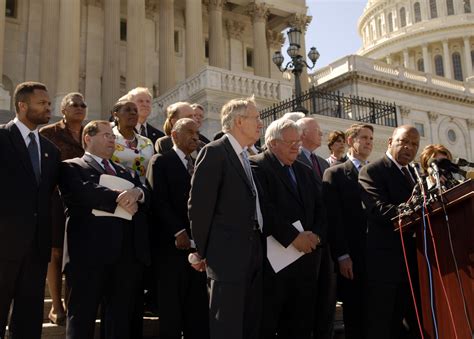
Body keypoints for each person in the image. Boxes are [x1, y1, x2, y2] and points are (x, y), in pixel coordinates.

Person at [59, 120, 150, 339]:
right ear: (88, 138)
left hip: (123, 256)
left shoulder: (124, 171)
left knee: (118, 319)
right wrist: (118, 196)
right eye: (106, 135)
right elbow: (84, 192)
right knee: (82, 317)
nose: (112, 139)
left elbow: (145, 191)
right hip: (87, 257)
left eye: (113, 136)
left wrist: (137, 193)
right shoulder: (71, 166)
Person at [188, 96, 264, 339]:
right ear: (239, 121)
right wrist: (203, 251)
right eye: (256, 118)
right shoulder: (215, 152)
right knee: (227, 326)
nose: (260, 123)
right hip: (226, 258)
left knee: (249, 323)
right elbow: (199, 207)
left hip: (252, 253)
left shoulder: (246, 157)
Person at [251, 118, 324, 339]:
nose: (296, 147)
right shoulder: (256, 166)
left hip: (306, 262)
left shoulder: (305, 170)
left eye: (298, 142)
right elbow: (264, 209)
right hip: (274, 267)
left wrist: (315, 237)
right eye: (290, 142)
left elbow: (321, 208)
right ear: (272, 143)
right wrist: (294, 237)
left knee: (300, 327)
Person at [0, 81, 60, 338]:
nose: (48, 108)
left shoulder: (50, 150)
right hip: (3, 245)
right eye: (42, 103)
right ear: (22, 106)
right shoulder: (2, 138)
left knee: (28, 320)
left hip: (36, 248)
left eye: (48, 103)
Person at [147, 118, 209, 339]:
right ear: (174, 135)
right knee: (171, 312)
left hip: (198, 248)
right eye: (190, 132)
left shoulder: (201, 163)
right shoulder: (160, 162)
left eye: (198, 132)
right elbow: (158, 200)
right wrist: (178, 231)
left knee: (198, 310)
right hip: (170, 249)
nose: (196, 137)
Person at [358, 125, 421, 339]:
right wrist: (416, 211)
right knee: (383, 326)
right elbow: (378, 209)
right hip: (385, 267)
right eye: (404, 142)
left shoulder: (414, 173)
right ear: (390, 142)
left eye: (414, 144)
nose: (409, 148)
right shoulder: (372, 171)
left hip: (413, 264)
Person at [322, 123, 374, 339]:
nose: (369, 142)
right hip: (351, 258)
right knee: (355, 315)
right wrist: (342, 255)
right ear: (351, 141)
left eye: (371, 138)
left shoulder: (375, 172)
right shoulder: (335, 173)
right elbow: (333, 219)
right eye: (364, 138)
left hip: (376, 255)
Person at [39, 92, 87, 325]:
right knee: (56, 252)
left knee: (77, 253)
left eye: (82, 104)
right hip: (56, 199)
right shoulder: (48, 133)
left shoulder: (90, 134)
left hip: (82, 202)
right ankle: (57, 305)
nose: (80, 108)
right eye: (74, 104)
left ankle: (74, 301)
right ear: (63, 109)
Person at [295, 117, 336, 339]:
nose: (322, 134)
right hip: (305, 242)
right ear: (302, 134)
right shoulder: (294, 159)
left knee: (326, 302)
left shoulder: (323, 163)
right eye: (317, 130)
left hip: (325, 243)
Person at [110, 99, 154, 184]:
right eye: (127, 110)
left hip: (144, 193)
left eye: (135, 111)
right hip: (117, 191)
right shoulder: (109, 139)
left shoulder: (147, 142)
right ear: (115, 115)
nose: (133, 113)